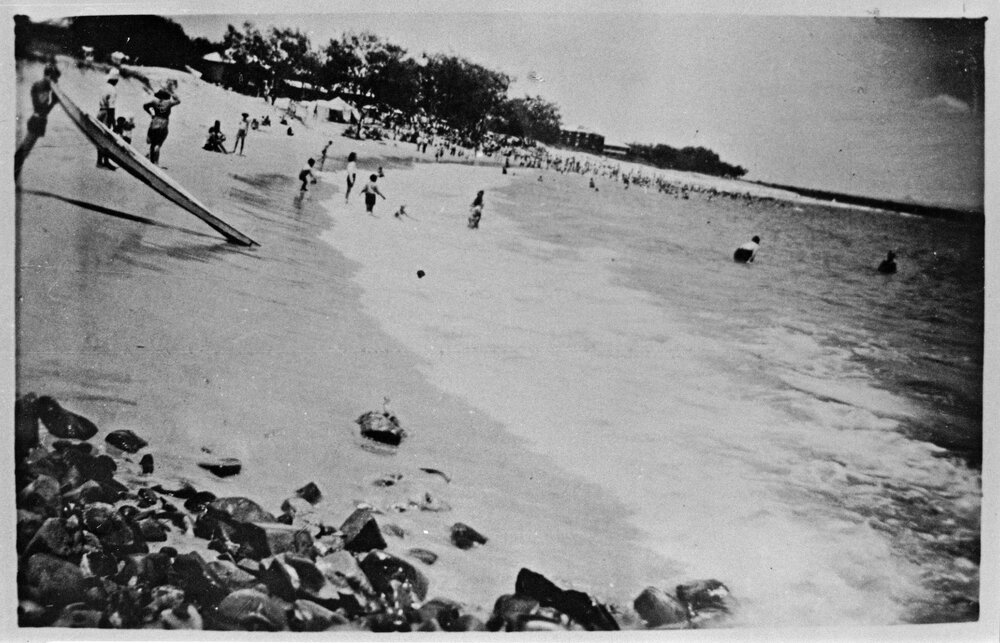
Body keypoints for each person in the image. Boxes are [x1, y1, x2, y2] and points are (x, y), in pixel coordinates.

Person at [15, 62, 61, 178]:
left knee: (24, 151)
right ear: (49, 76)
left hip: (39, 121)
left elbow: (43, 110)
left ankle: (14, 175)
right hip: (36, 122)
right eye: (54, 78)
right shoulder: (41, 86)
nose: (56, 82)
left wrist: (53, 102)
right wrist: (53, 102)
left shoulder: (44, 87)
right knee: (24, 151)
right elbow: (41, 108)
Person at [143, 84, 180, 166]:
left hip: (155, 122)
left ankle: (151, 161)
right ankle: (156, 162)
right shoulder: (168, 103)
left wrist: (151, 114)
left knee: (152, 143)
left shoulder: (154, 102)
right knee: (159, 143)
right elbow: (178, 101)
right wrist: (173, 93)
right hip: (164, 123)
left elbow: (145, 106)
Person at [97, 69, 120, 169]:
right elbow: (111, 108)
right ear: (116, 80)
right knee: (107, 137)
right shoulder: (113, 90)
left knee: (99, 136)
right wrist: (114, 123)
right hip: (107, 113)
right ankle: (105, 161)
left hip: (100, 112)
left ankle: (99, 161)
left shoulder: (104, 87)